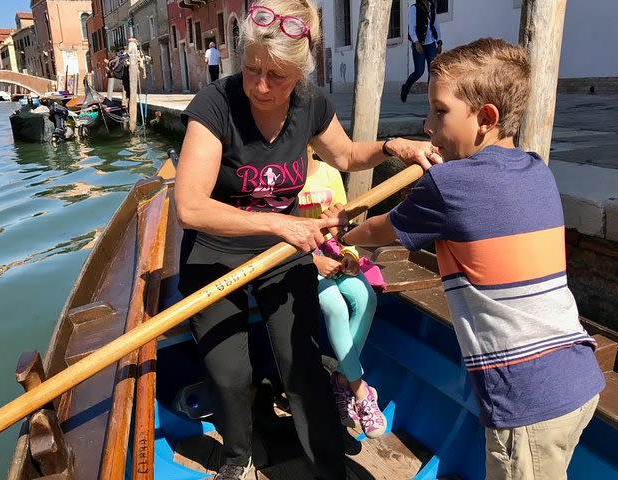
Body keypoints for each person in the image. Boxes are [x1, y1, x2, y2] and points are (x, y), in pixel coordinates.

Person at [173, 0, 440, 477]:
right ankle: (237, 457)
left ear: (301, 71)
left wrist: (393, 146)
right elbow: (190, 207)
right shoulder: (215, 104)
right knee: (229, 376)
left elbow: (348, 155)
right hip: (216, 250)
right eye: (252, 69)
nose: (260, 85)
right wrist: (279, 223)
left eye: (276, 76)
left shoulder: (311, 103)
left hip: (281, 251)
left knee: (302, 366)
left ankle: (328, 466)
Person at [324, 38, 605, 480]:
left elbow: (382, 229)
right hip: (578, 378)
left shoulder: (448, 186)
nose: (427, 124)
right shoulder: (536, 170)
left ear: (486, 118)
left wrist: (342, 229)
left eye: (440, 112)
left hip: (525, 399)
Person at [298, 147, 384, 438]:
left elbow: (342, 226)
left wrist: (348, 253)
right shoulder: (283, 180)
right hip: (300, 256)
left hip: (332, 252)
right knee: (334, 304)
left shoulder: (330, 173)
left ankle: (341, 380)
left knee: (365, 297)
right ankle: (361, 391)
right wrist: (313, 261)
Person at [400, 0, 442, 103]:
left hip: (431, 43)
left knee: (432, 71)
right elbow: (411, 28)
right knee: (419, 72)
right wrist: (416, 42)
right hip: (419, 43)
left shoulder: (432, 7)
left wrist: (439, 41)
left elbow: (436, 25)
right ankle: (406, 87)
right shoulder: (414, 8)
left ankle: (430, 98)